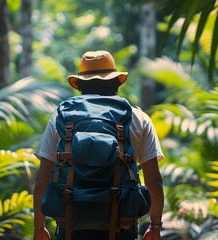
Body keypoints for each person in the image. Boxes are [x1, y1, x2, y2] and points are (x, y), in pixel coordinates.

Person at [33, 50, 164, 240]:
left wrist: (39, 227)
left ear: (80, 85)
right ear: (117, 82)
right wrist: (155, 225)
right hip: (122, 228)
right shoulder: (139, 117)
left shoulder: (61, 117)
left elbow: (42, 180)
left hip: (70, 226)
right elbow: (154, 180)